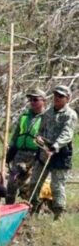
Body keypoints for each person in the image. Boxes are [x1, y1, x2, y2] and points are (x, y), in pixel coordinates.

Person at [29, 85, 77, 220]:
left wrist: (55, 146)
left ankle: (58, 214)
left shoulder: (70, 115)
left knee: (57, 186)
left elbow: (67, 133)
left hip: (60, 154)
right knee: (34, 181)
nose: (57, 98)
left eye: (60, 96)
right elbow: (41, 130)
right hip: (44, 152)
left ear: (67, 99)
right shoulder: (48, 113)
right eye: (55, 95)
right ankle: (33, 208)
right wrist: (39, 138)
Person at [5, 89, 46, 205]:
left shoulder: (47, 118)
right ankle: (8, 208)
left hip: (35, 156)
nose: (32, 102)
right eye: (31, 99)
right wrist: (11, 146)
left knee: (28, 184)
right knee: (12, 181)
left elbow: (49, 139)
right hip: (19, 153)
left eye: (35, 99)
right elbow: (16, 134)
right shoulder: (24, 116)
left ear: (44, 101)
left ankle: (32, 208)